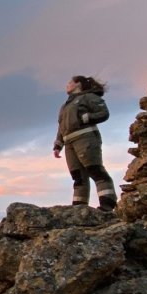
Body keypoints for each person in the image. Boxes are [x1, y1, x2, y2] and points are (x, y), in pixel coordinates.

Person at [53, 76, 117, 211]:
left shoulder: (89, 97)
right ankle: (79, 210)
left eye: (69, 82)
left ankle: (107, 205)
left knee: (95, 171)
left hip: (86, 138)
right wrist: (58, 145)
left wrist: (86, 118)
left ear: (78, 84)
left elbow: (103, 113)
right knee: (78, 178)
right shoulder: (64, 106)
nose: (67, 85)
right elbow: (61, 126)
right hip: (69, 143)